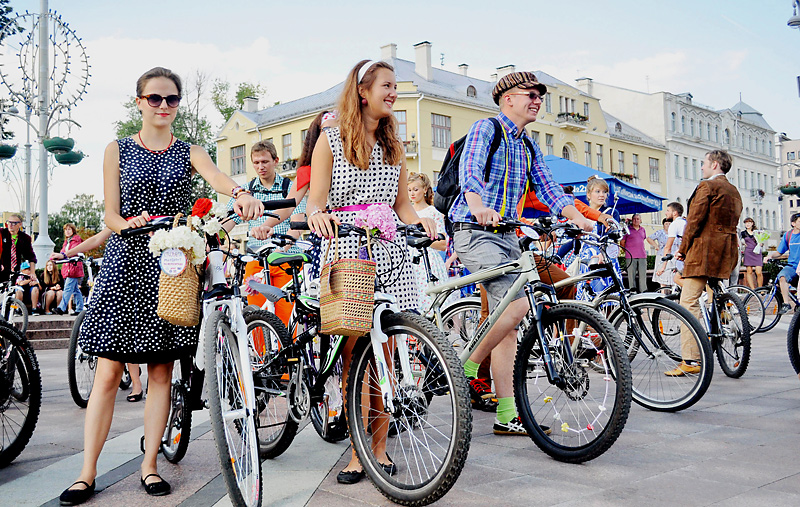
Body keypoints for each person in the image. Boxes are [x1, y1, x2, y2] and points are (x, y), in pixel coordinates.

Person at [59, 67, 263, 505]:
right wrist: (126, 223)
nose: (164, 107)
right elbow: (110, 215)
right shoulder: (117, 150)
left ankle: (149, 464)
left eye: (172, 99)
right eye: (155, 99)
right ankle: (86, 472)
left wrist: (241, 192)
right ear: (139, 102)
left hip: (169, 268)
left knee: (159, 372)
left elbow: (217, 179)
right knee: (110, 373)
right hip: (124, 263)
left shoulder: (190, 150)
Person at [305, 59, 436, 484]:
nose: (394, 92)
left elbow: (402, 206)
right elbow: (315, 201)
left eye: (395, 86)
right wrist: (317, 216)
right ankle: (357, 452)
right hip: (346, 246)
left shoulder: (394, 146)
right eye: (387, 85)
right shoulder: (331, 139)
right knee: (353, 356)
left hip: (389, 250)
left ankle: (378, 448)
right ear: (363, 91)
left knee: (385, 356)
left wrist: (423, 222)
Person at [449, 71, 593, 436]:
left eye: (540, 96)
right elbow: (471, 170)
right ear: (507, 98)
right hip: (475, 231)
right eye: (529, 94)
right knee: (516, 306)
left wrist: (578, 216)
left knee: (509, 327)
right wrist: (478, 204)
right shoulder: (487, 128)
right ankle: (462, 369)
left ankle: (507, 414)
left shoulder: (528, 144)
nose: (537, 100)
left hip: (507, 236)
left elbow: (547, 186)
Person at [667, 150, 742, 377]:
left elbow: (694, 221)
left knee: (687, 302)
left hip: (704, 251)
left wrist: (682, 250)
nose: (702, 168)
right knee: (715, 295)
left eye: (704, 163)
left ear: (715, 164)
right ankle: (727, 325)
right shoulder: (734, 190)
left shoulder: (707, 187)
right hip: (727, 250)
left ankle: (690, 359)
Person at [223, 139, 294, 325]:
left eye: (265, 162)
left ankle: (288, 353)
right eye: (256, 163)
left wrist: (284, 248)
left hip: (284, 260)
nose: (260, 167)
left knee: (286, 317)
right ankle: (263, 353)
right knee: (258, 317)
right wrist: (214, 233)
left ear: (275, 160)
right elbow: (230, 220)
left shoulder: (289, 188)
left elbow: (297, 224)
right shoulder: (247, 192)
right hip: (256, 262)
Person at [407, 171, 451, 311]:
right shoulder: (406, 213)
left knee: (431, 303)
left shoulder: (433, 212)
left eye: (416, 189)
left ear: (425, 190)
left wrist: (421, 240)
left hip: (428, 260)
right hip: (409, 260)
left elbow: (443, 244)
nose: (412, 193)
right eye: (409, 190)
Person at [766, 213, 800, 314]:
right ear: (793, 223)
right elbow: (779, 252)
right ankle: (786, 304)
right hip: (792, 267)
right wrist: (769, 256)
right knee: (782, 277)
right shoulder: (788, 236)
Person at [53, 223, 85, 316]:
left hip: (74, 267)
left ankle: (61, 308)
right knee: (75, 290)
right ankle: (79, 309)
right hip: (68, 268)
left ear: (73, 230)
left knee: (68, 288)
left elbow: (73, 252)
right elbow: (63, 253)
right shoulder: (67, 241)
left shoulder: (76, 240)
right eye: (66, 229)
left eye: (69, 229)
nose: (67, 231)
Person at [0, 214, 37, 284]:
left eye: (14, 223)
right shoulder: (2, 233)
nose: (10, 225)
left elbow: (31, 257)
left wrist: (32, 273)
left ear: (20, 224)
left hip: (14, 272)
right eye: (9, 222)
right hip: (2, 269)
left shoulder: (25, 238)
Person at [656, 202, 686, 286]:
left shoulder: (674, 224)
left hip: (689, 258)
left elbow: (667, 248)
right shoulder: (684, 222)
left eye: (668, 210)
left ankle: (699, 293)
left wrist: (663, 267)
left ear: (674, 213)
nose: (665, 213)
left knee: (676, 279)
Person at [622, 213, 647, 292]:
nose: (636, 220)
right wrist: (626, 251)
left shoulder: (643, 229)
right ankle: (633, 291)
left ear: (640, 220)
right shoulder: (627, 230)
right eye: (634, 219)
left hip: (642, 255)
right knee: (631, 276)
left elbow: (643, 240)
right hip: (630, 256)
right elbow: (622, 242)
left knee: (642, 275)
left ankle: (643, 291)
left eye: (638, 219)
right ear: (632, 220)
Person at [647, 217, 673, 288]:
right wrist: (656, 246)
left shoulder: (673, 234)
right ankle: (662, 292)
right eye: (666, 224)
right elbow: (649, 238)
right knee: (662, 276)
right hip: (662, 255)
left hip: (671, 256)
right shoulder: (660, 232)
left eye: (669, 224)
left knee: (671, 276)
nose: (668, 225)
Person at [741, 217, 763, 289]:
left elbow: (761, 241)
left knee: (758, 272)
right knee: (749, 271)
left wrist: (761, 244)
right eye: (746, 223)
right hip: (748, 252)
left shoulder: (757, 232)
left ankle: (760, 288)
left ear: (752, 223)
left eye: (749, 223)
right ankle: (752, 289)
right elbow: (740, 242)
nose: (747, 224)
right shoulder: (743, 233)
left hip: (757, 252)